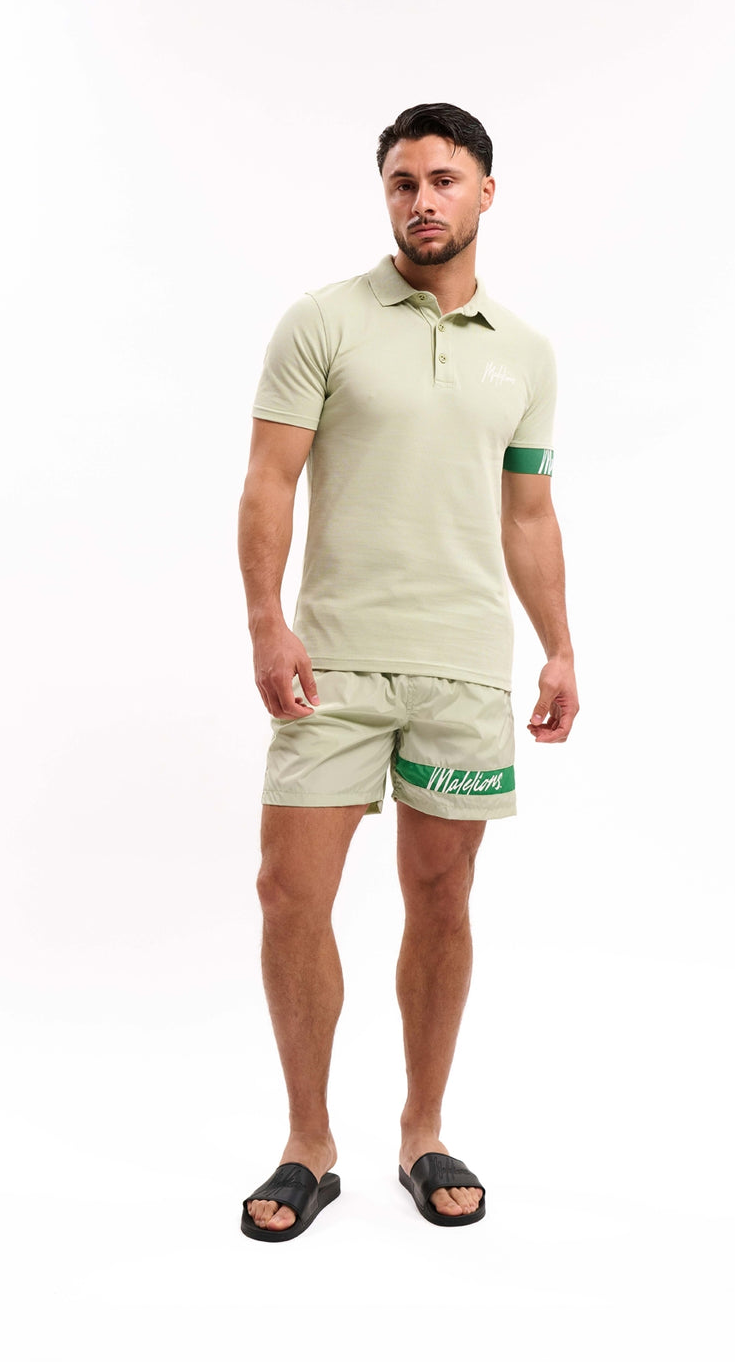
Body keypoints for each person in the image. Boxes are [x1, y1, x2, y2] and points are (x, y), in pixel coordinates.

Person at [236, 103, 577, 1241]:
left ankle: (422, 1132)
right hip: (331, 664)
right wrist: (266, 622)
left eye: (442, 178)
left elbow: (528, 514)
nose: (422, 199)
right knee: (289, 893)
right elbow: (269, 480)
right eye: (401, 182)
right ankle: (308, 1144)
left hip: (462, 671)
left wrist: (560, 645)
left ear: (486, 192)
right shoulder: (323, 322)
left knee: (441, 899)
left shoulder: (525, 353)